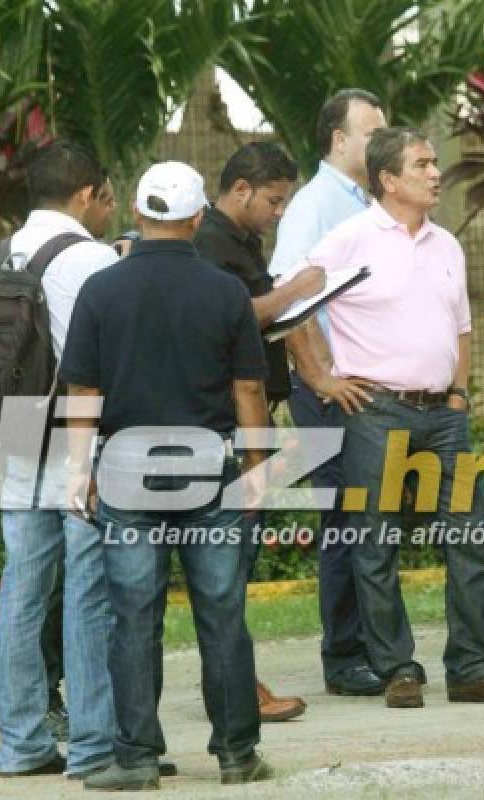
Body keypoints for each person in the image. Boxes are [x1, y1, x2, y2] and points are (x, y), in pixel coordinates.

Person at [59, 161, 272, 789]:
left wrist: (80, 471)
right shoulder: (226, 292)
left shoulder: (102, 291)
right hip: (209, 469)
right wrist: (257, 466)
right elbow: (249, 389)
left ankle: (137, 759)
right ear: (199, 216)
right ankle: (236, 754)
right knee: (222, 614)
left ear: (137, 215)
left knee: (133, 617)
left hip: (126, 472)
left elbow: (82, 391)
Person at [303, 126, 484, 709]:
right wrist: (322, 379)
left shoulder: (445, 243)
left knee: (470, 537)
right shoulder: (349, 239)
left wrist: (458, 394)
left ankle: (472, 667)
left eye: (434, 162)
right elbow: (295, 308)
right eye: (422, 164)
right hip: (375, 414)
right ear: (388, 180)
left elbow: (460, 325)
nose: (436, 173)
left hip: (445, 417)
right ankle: (398, 669)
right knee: (375, 546)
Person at [0, 140, 118, 778]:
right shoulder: (91, 258)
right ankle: (93, 744)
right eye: (105, 197)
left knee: (22, 590)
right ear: (85, 195)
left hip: (18, 430)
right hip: (79, 432)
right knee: (89, 588)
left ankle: (22, 743)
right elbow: (108, 359)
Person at [192, 141, 325, 723]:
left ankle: (235, 679)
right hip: (227, 423)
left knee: (234, 565)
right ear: (240, 189)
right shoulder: (209, 244)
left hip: (250, 416)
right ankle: (233, 689)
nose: (278, 213)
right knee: (226, 563)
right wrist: (294, 292)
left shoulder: (240, 242)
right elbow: (230, 316)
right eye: (273, 201)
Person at [267, 89, 390, 697]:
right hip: (328, 390)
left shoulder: (366, 201)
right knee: (344, 520)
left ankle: (372, 644)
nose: (381, 143)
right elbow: (290, 295)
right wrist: (320, 378)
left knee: (370, 518)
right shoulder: (315, 205)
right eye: (372, 133)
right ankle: (343, 657)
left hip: (362, 390)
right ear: (339, 140)